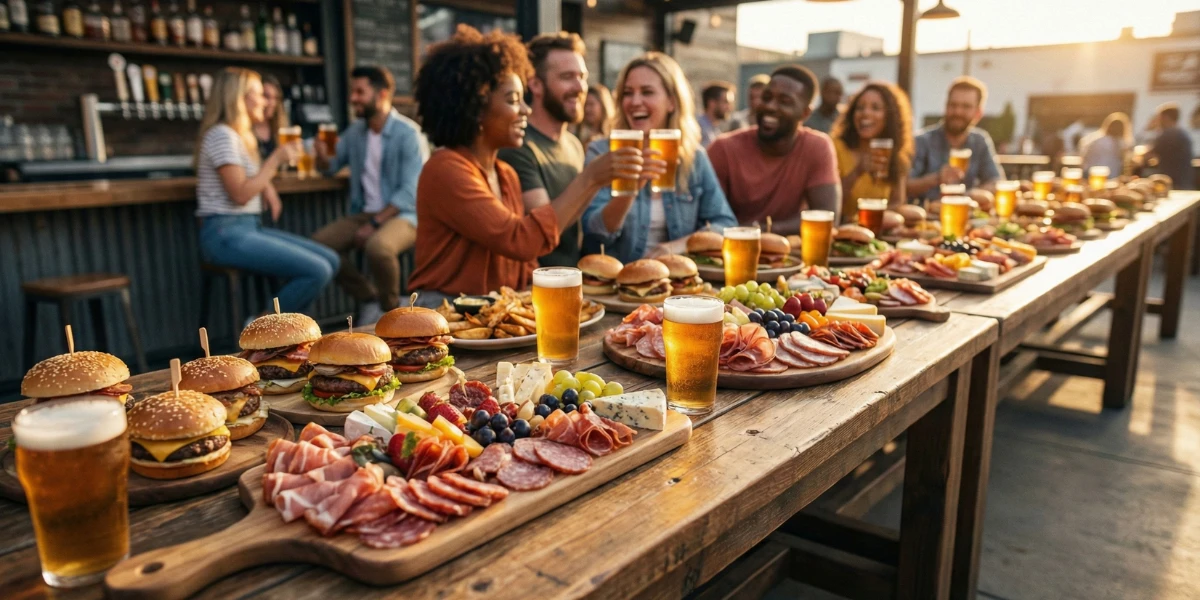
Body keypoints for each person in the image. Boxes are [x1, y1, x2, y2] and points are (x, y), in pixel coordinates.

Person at [406, 25, 642, 305]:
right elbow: (520, 240)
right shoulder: (446, 169)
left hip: (495, 310)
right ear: (476, 108)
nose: (525, 110)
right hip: (444, 311)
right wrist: (591, 177)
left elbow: (525, 260)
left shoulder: (504, 174)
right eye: (513, 100)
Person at [193, 67, 338, 314]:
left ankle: (278, 331)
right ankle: (262, 331)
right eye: (259, 94)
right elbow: (239, 194)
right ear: (238, 98)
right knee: (317, 270)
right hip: (224, 233)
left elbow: (248, 178)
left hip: (246, 227)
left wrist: (268, 186)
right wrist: (276, 159)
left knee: (332, 261)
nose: (265, 101)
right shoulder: (222, 135)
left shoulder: (238, 136)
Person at [581, 52, 737, 264]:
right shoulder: (602, 152)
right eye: (628, 93)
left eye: (647, 92)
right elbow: (594, 235)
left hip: (676, 284)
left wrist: (674, 248)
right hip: (615, 287)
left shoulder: (693, 157)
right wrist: (629, 190)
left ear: (672, 102)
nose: (635, 101)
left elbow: (725, 224)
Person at [312, 66, 430, 324]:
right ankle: (369, 298)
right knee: (319, 246)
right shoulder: (356, 132)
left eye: (359, 92)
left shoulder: (408, 133)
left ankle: (391, 313)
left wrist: (375, 224)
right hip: (363, 213)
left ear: (382, 94)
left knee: (378, 247)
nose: (353, 98)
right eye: (353, 92)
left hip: (404, 213)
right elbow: (331, 167)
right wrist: (322, 155)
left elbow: (411, 191)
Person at [499, 33, 626, 268]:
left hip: (574, 280)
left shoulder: (574, 145)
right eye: (567, 77)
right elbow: (543, 228)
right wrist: (592, 177)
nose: (580, 87)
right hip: (535, 289)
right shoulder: (518, 146)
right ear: (535, 84)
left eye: (583, 77)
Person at [708, 64, 841, 229]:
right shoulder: (723, 148)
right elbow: (708, 220)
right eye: (766, 97)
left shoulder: (817, 146)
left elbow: (827, 217)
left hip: (788, 252)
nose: (770, 106)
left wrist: (760, 231)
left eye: (785, 101)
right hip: (732, 251)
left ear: (805, 113)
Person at [907, 76, 1005, 202]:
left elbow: (996, 181)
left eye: (966, 106)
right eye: (953, 105)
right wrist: (937, 178)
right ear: (945, 106)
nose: (958, 111)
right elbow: (905, 185)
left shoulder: (980, 140)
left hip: (964, 215)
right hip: (924, 216)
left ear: (978, 113)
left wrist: (966, 197)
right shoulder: (921, 140)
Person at [830, 81, 912, 219]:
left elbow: (897, 202)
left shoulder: (894, 153)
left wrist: (871, 218)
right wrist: (858, 171)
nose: (865, 113)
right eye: (860, 107)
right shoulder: (835, 147)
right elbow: (829, 203)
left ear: (889, 117)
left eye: (875, 108)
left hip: (877, 232)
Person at [1147, 103, 1196, 190]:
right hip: (1184, 182)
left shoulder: (1167, 134)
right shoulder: (1183, 133)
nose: (1157, 121)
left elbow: (1149, 155)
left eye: (1159, 118)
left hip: (1171, 183)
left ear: (1165, 117)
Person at [1080, 112, 1132, 177]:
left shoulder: (1094, 140)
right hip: (1110, 177)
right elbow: (1125, 162)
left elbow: (1084, 157)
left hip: (1090, 174)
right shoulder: (1120, 144)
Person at [697, 81, 744, 147]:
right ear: (712, 103)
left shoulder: (716, 130)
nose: (730, 108)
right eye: (726, 102)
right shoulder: (697, 128)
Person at [252, 75, 285, 160]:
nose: (272, 103)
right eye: (266, 96)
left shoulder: (280, 128)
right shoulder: (244, 130)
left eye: (275, 98)